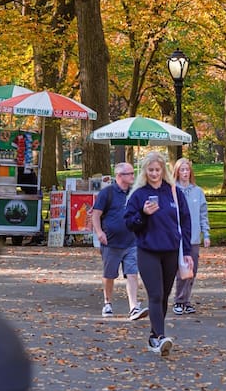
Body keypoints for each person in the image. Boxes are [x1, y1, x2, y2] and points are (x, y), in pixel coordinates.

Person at [124, 151, 192, 357]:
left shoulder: (173, 192)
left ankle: (154, 336)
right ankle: (160, 337)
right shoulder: (138, 194)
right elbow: (129, 224)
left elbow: (185, 222)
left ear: (163, 170)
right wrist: (143, 214)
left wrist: (187, 250)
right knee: (155, 294)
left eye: (158, 169)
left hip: (171, 250)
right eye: (150, 170)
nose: (154, 173)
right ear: (145, 171)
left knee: (164, 296)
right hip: (148, 251)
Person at [89, 162, 148, 321]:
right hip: (111, 242)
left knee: (132, 273)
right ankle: (107, 302)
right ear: (119, 176)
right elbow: (95, 214)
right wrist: (99, 232)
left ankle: (134, 306)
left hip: (131, 241)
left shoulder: (134, 193)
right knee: (109, 275)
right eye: (129, 174)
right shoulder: (107, 193)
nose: (132, 176)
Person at [172, 158, 210, 315]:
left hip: (193, 237)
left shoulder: (197, 192)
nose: (185, 173)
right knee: (181, 271)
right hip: (177, 236)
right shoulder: (173, 190)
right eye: (182, 170)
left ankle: (186, 300)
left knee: (192, 270)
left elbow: (203, 214)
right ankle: (179, 300)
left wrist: (206, 234)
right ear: (177, 172)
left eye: (187, 170)